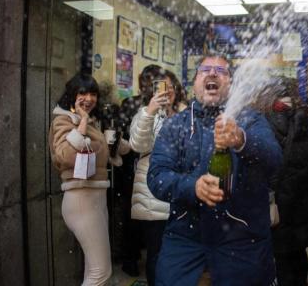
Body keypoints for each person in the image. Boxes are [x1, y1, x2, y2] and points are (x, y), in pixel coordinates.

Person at [147, 53, 283, 286]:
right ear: (195, 83)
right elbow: (157, 176)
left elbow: (275, 160)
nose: (212, 73)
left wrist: (241, 139)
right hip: (185, 245)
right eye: (205, 70)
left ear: (230, 83)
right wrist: (193, 187)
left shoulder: (251, 121)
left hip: (242, 246)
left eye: (220, 71)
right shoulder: (175, 125)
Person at [48, 73, 129, 286]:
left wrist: (115, 142)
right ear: (72, 95)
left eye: (93, 93)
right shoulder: (64, 120)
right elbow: (63, 156)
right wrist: (82, 122)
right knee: (101, 272)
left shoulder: (94, 122)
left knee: (93, 270)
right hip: (81, 200)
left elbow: (109, 152)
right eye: (82, 92)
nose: (89, 98)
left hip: (95, 199)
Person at [128, 69, 187, 285]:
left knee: (182, 255)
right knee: (156, 256)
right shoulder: (145, 114)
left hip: (182, 194)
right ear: (151, 91)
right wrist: (151, 110)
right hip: (152, 196)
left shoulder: (187, 113)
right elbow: (137, 144)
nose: (166, 91)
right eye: (160, 86)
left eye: (170, 86)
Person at [264, 78, 308, 286]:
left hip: (275, 203)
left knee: (278, 258)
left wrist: (272, 197)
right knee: (295, 258)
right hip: (297, 203)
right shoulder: (301, 119)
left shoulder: (264, 119)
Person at [119, 64, 163, 277]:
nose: (151, 86)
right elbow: (131, 139)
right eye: (148, 81)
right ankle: (131, 259)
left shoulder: (170, 108)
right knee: (134, 219)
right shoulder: (134, 105)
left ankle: (134, 258)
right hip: (133, 167)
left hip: (151, 172)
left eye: (156, 81)